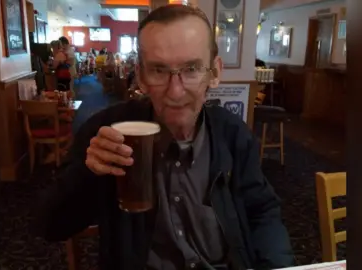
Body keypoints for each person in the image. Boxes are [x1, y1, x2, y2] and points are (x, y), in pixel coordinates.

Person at [35, 4, 294, 270]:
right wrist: (87, 175)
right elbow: (51, 226)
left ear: (214, 73)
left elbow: (263, 212)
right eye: (159, 70)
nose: (176, 91)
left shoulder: (233, 134)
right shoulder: (107, 133)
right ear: (142, 76)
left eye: (192, 68)